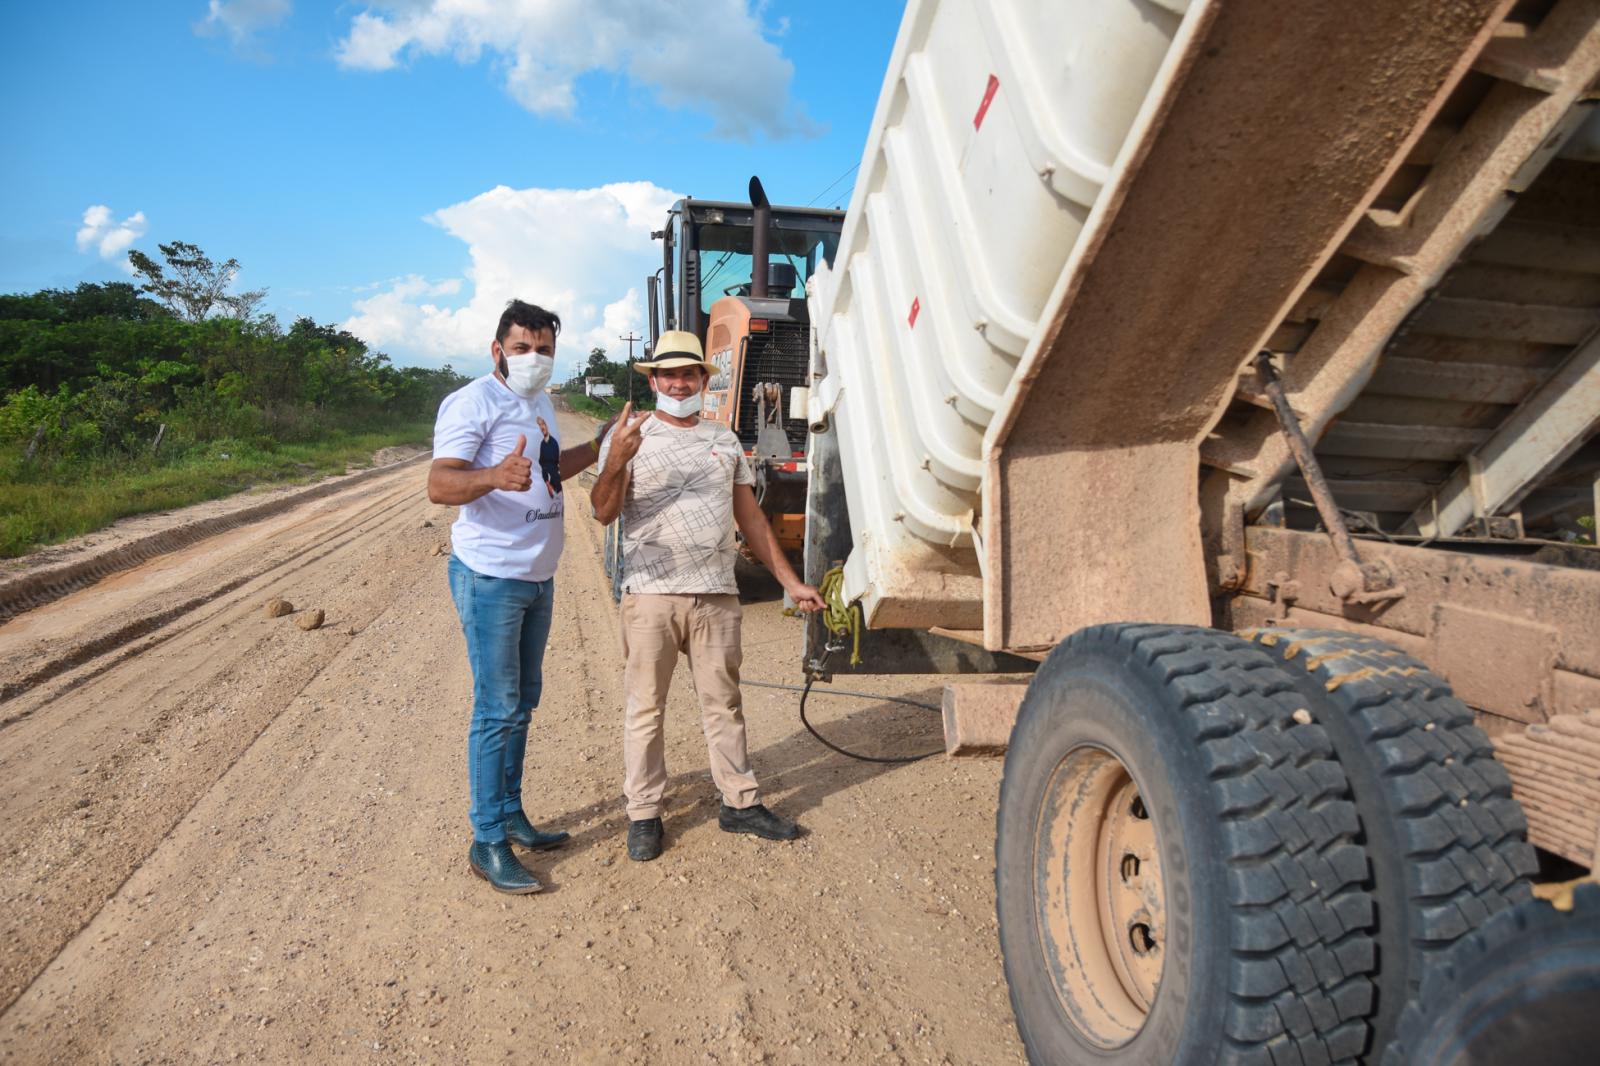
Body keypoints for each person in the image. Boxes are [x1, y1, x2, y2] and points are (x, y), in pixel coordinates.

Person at [590, 330, 825, 862]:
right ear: (653, 380)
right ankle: (644, 812)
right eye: (667, 374)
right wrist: (617, 460)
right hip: (650, 595)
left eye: (688, 374)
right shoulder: (628, 434)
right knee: (646, 708)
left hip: (716, 595)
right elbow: (603, 511)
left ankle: (739, 802)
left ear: (702, 379)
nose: (678, 382)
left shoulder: (723, 438)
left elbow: (751, 519)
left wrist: (790, 582)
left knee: (724, 703)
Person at [427, 300, 614, 894]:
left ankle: (510, 814)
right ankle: (486, 842)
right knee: (496, 706)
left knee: (523, 701)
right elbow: (439, 484)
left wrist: (607, 445)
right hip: (492, 577)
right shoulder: (472, 402)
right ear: (498, 350)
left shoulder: (539, 406)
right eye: (523, 348)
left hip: (538, 575)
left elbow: (554, 471)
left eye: (545, 349)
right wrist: (490, 478)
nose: (535, 358)